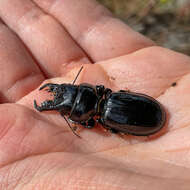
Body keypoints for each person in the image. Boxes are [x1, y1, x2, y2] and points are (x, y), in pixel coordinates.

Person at [0, 0, 190, 189]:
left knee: (113, 125)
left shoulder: (101, 119)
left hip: (145, 118)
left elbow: (87, 123)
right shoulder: (108, 95)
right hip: (144, 112)